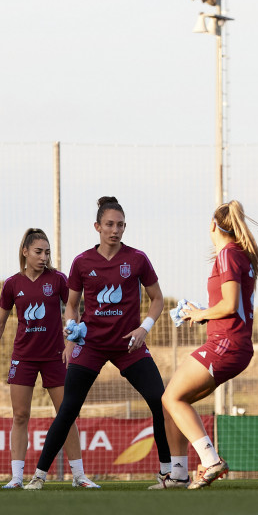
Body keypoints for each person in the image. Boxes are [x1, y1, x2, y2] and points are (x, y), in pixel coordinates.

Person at [24, 196, 171, 490]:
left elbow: (158, 299)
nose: (115, 230)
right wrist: (71, 329)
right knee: (68, 409)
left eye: (120, 225)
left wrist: (144, 328)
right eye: (109, 225)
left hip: (129, 346)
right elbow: (72, 306)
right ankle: (39, 476)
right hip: (90, 345)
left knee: (160, 401)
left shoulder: (137, 259)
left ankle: (168, 473)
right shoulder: (82, 262)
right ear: (97, 227)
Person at [0, 228, 97, 489]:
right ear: (25, 252)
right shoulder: (12, 284)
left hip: (56, 358)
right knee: (20, 416)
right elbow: (0, 323)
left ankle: (79, 476)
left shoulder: (58, 280)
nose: (44, 257)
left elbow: (75, 311)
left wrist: (70, 343)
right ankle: (17, 478)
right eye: (38, 252)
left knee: (67, 415)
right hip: (23, 358)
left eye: (47, 252)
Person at [161, 201, 258, 489]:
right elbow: (232, 306)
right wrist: (206, 313)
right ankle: (179, 474)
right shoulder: (239, 254)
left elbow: (230, 305)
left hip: (226, 344)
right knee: (173, 402)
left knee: (171, 398)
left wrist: (199, 313)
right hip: (232, 343)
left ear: (213, 227)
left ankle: (210, 460)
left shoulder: (228, 254)